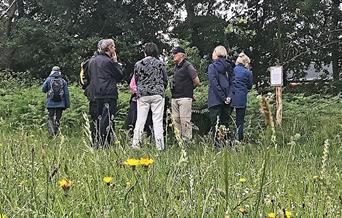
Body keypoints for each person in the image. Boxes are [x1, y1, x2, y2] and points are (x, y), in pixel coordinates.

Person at [131, 42, 167, 150]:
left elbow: (136, 79)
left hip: (143, 94)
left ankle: (135, 144)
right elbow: (165, 79)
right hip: (157, 94)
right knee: (158, 120)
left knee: (140, 120)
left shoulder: (138, 64)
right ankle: (159, 146)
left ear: (145, 52)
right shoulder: (160, 64)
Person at [87, 39, 123, 147]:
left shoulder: (92, 61)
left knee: (97, 118)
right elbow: (119, 76)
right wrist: (116, 62)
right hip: (109, 93)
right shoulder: (109, 62)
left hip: (96, 93)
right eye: (114, 46)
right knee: (107, 119)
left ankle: (96, 141)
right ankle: (103, 143)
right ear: (109, 48)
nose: (115, 49)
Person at [207, 46, 235, 146]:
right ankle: (228, 146)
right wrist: (228, 97)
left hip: (215, 100)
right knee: (225, 124)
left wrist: (222, 97)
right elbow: (233, 83)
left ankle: (217, 147)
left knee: (216, 125)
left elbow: (214, 83)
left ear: (216, 53)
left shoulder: (212, 67)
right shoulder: (229, 67)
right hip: (227, 101)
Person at [171, 46, 200, 142]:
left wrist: (189, 90)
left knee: (185, 120)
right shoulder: (175, 67)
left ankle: (187, 141)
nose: (173, 55)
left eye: (175, 53)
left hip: (185, 97)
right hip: (175, 97)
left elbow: (196, 81)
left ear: (181, 55)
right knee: (176, 121)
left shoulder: (188, 66)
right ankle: (179, 141)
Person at [80, 39, 103, 146]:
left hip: (92, 95)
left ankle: (95, 142)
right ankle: (101, 142)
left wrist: (87, 89)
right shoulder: (91, 62)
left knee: (95, 119)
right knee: (102, 118)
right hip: (99, 94)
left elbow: (82, 80)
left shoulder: (88, 62)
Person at [230, 52, 253, 142]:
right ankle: (239, 141)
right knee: (240, 121)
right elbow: (250, 86)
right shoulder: (248, 72)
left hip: (231, 96)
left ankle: (225, 137)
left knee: (227, 119)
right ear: (246, 62)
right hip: (241, 98)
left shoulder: (232, 70)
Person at [42, 66, 70, 136]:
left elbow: (43, 89)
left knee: (50, 118)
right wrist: (67, 105)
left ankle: (51, 133)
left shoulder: (48, 80)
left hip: (50, 103)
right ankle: (56, 132)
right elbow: (66, 94)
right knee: (58, 118)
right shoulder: (63, 81)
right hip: (60, 104)